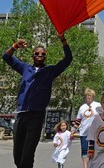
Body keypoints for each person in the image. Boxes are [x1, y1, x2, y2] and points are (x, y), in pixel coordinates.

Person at [2, 33, 72, 168]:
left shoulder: (49, 71)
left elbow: (68, 59)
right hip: (21, 114)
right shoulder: (25, 68)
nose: (40, 55)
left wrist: (63, 39)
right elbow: (6, 57)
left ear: (45, 57)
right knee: (18, 155)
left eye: (43, 54)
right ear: (33, 56)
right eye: (37, 53)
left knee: (27, 154)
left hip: (36, 115)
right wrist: (15, 45)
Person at [74, 88, 102, 168]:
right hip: (84, 132)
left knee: (95, 150)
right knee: (84, 150)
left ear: (93, 97)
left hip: (96, 132)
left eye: (90, 96)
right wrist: (73, 130)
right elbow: (78, 120)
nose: (89, 97)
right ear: (85, 97)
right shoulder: (82, 107)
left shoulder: (98, 105)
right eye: (87, 96)